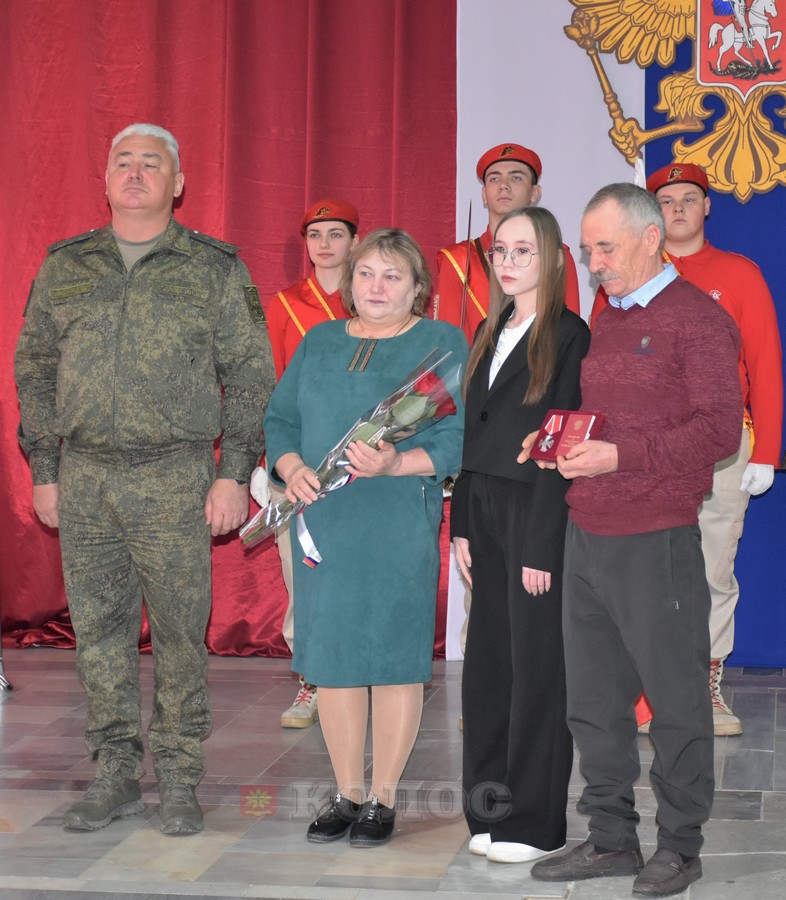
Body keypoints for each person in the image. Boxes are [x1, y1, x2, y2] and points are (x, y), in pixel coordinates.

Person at [14, 123, 274, 836]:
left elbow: (250, 376)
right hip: (85, 475)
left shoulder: (213, 267)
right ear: (104, 180)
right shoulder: (67, 263)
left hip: (175, 476)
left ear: (177, 183)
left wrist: (233, 473)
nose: (134, 173)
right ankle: (115, 773)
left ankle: (180, 777)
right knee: (98, 632)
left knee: (181, 633)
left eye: (150, 164)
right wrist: (45, 468)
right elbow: (34, 366)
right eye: (122, 162)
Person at [527, 183, 741, 896]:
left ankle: (680, 847)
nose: (594, 263)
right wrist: (557, 440)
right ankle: (612, 839)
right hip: (587, 530)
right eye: (588, 249)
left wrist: (622, 456)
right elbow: (606, 414)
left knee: (677, 705)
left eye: (606, 248)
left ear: (652, 238)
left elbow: (719, 430)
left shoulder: (699, 319)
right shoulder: (609, 317)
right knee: (593, 703)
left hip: (657, 538)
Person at [264, 228, 467, 847]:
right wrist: (291, 466)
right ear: (350, 283)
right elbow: (280, 418)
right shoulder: (321, 340)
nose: (377, 287)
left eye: (392, 276)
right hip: (324, 523)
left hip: (397, 518)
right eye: (366, 274)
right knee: (335, 661)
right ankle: (348, 792)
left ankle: (384, 799)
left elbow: (458, 436)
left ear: (417, 287)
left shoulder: (441, 343)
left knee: (394, 659)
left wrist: (397, 463)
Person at [590, 163, 783, 736]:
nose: (677, 209)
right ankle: (642, 691)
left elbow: (764, 362)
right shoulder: (621, 276)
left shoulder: (738, 274)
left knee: (711, 566)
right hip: (637, 447)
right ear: (651, 217)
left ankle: (704, 686)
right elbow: (598, 365)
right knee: (642, 566)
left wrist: (767, 450)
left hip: (719, 445)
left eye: (688, 199)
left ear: (707, 207)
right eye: (666, 200)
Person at [450, 207, 590, 863]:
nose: (508, 262)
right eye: (500, 250)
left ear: (553, 258)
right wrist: (461, 524)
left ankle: (534, 823)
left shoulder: (569, 335)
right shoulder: (490, 328)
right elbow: (472, 434)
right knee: (488, 668)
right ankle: (489, 810)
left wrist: (542, 542)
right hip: (482, 506)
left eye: (523, 251)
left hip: (534, 509)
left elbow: (565, 442)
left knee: (538, 670)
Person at [259, 198, 359, 729]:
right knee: (303, 574)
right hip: (300, 463)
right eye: (315, 234)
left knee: (360, 572)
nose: (324, 244)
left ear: (354, 241)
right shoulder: (284, 305)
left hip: (363, 461)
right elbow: (271, 388)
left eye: (336, 233)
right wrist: (271, 461)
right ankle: (311, 681)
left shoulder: (373, 299)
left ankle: (361, 675)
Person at [434, 142, 582, 344]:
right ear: (484, 194)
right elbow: (448, 345)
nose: (503, 185)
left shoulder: (555, 255)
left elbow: (568, 335)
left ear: (535, 193)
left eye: (516, 177)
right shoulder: (459, 259)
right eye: (494, 178)